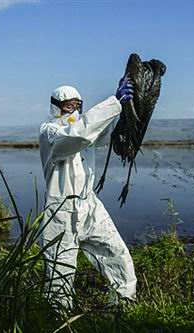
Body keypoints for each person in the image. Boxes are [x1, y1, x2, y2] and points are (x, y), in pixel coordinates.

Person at [38, 79, 137, 310]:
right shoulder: (50, 132)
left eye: (77, 105)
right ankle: (59, 319)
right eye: (68, 106)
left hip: (90, 206)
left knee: (117, 254)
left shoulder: (84, 130)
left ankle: (125, 305)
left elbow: (98, 133)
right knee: (58, 272)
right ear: (56, 107)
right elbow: (78, 135)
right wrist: (113, 103)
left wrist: (122, 112)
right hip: (60, 213)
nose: (73, 110)